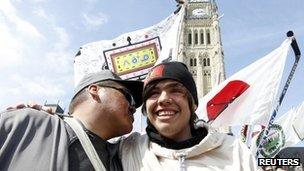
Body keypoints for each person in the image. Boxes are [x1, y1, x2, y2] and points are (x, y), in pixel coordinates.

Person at [119, 61, 257, 170]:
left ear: (193, 104)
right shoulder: (128, 150)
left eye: (175, 90)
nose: (163, 99)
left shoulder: (235, 150)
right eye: (153, 93)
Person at [0, 70, 143, 171]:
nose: (133, 107)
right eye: (128, 97)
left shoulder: (125, 157)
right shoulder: (27, 125)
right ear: (94, 90)